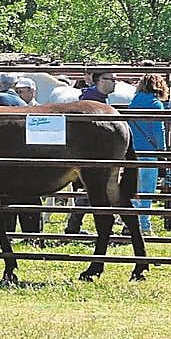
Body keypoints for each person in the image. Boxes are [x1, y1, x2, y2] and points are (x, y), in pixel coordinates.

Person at [66, 71, 117, 234]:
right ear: (100, 81)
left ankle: (74, 225)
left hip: (88, 149)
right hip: (90, 149)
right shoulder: (92, 101)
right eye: (112, 79)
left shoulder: (94, 97)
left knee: (90, 189)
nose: (115, 82)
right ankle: (75, 225)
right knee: (92, 188)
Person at [128, 74, 168, 234]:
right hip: (148, 151)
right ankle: (144, 225)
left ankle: (130, 222)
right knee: (147, 190)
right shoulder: (156, 105)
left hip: (132, 151)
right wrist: (163, 149)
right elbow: (159, 130)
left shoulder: (133, 103)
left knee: (134, 188)